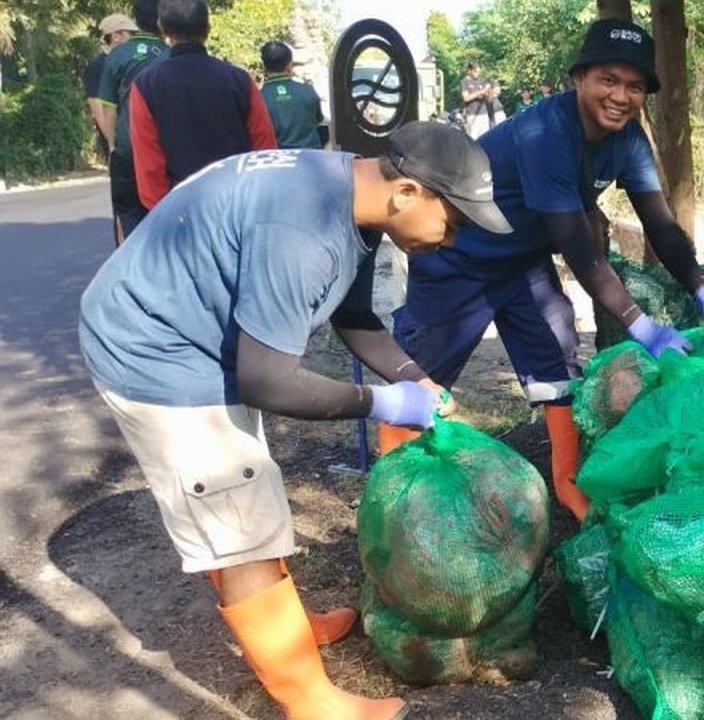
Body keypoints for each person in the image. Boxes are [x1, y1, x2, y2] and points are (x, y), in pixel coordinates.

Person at [78, 122, 511, 720]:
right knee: (238, 515)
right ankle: (310, 702)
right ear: (407, 192)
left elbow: (354, 315)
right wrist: (383, 405)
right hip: (158, 348)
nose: (451, 238)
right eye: (453, 221)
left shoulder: (352, 200)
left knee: (246, 494)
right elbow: (269, 381)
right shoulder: (303, 230)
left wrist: (412, 376)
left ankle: (287, 626)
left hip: (198, 335)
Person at [394, 19, 704, 522]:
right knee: (418, 377)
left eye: (635, 86)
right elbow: (578, 247)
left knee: (556, 358)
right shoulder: (544, 133)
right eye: (608, 80)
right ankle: (396, 498)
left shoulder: (628, 142)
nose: (620, 95)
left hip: (522, 260)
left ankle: (569, 487)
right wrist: (640, 324)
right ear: (579, 79)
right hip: (458, 259)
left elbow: (660, 225)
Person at [129, 0, 276, 211]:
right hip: (238, 205)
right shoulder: (240, 80)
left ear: (162, 27)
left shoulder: (145, 85)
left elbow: (149, 166)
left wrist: (165, 212)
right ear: (208, 28)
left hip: (181, 210)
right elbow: (265, 149)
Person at [97, 0, 167, 244]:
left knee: (128, 215)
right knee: (166, 213)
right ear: (162, 20)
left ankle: (130, 270)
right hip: (165, 150)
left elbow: (107, 106)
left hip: (127, 150)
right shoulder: (171, 54)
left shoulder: (117, 56)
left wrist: (114, 144)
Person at [83, 14, 138, 163]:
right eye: (131, 34)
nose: (134, 39)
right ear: (116, 36)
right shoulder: (99, 65)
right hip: (117, 140)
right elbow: (96, 105)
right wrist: (112, 142)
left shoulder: (124, 61)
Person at [258, 40, 324, 150]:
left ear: (264, 67)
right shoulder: (307, 90)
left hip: (280, 161)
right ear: (290, 65)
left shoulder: (258, 98)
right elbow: (318, 119)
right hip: (311, 158)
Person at [460, 62, 490, 138]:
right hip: (472, 114)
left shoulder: (481, 80)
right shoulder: (464, 82)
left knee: (485, 137)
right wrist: (480, 92)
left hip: (483, 113)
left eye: (479, 72)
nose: (478, 74)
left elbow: (486, 95)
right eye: (476, 72)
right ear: (470, 71)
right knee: (473, 138)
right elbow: (466, 98)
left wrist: (487, 91)